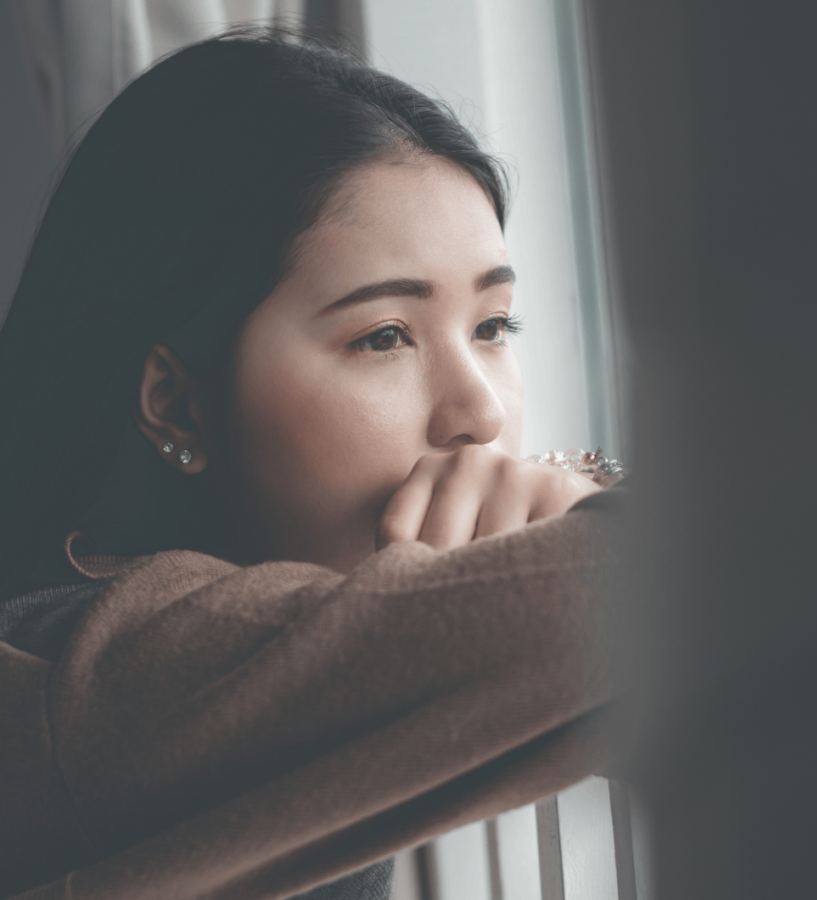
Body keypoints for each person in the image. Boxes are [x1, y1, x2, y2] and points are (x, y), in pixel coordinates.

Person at [0, 30, 627, 900]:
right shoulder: (96, 675)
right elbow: (675, 604)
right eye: (383, 337)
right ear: (180, 403)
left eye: (493, 327)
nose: (481, 412)